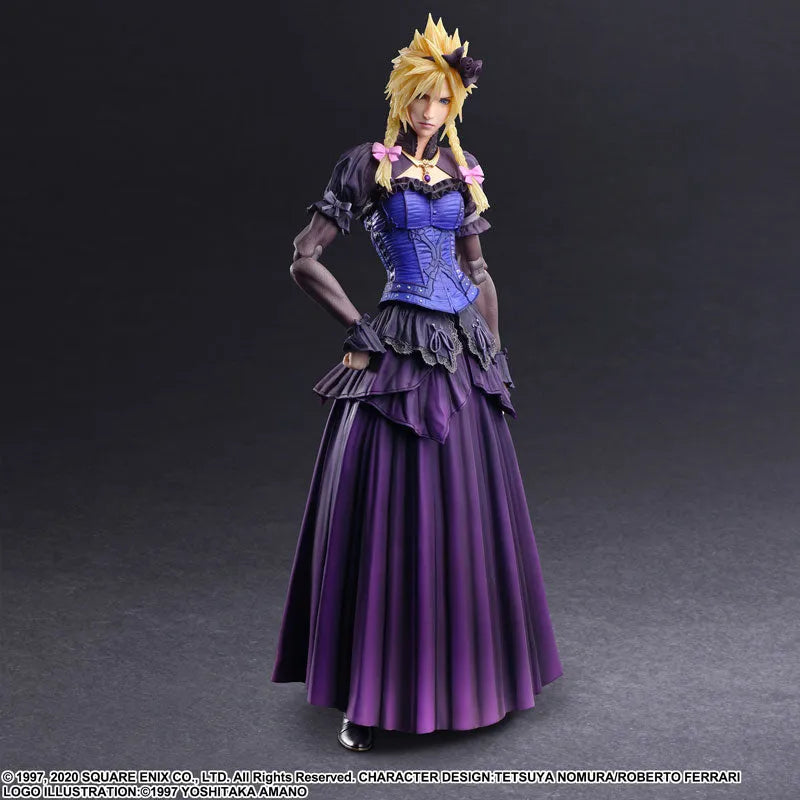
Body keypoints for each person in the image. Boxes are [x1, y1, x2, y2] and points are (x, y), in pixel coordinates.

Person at [271, 14, 563, 751]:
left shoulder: (464, 170)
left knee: (470, 508)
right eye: (421, 98)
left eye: (442, 100)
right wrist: (357, 328)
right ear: (401, 97)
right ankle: (368, 694)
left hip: (462, 347)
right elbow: (305, 256)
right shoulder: (366, 165)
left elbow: (478, 271)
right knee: (389, 513)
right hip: (398, 342)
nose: (430, 112)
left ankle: (479, 679)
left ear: (454, 104)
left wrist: (493, 352)